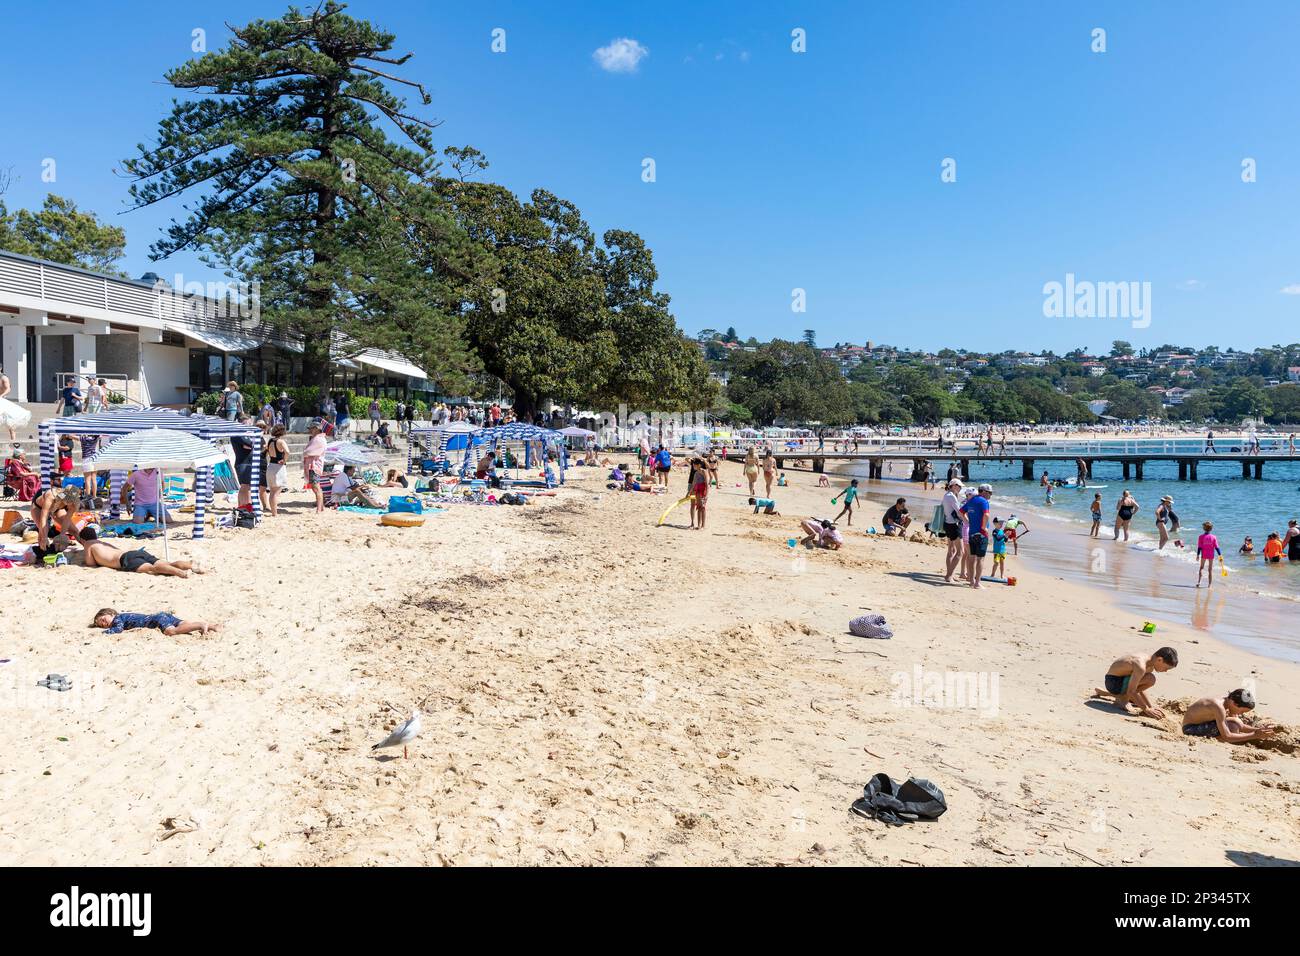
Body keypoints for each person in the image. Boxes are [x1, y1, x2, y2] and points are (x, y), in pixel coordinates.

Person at [78, 526, 203, 577]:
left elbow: (90, 564)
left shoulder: (88, 544)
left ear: (83, 539)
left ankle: (180, 573)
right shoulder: (102, 542)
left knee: (152, 569)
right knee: (166, 564)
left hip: (125, 560)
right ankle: (190, 565)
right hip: (134, 553)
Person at [1092, 647, 1179, 719]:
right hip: (1114, 682)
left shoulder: (1149, 662)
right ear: (1159, 659)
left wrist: (1150, 706)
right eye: (1166, 668)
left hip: (1119, 680)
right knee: (1150, 679)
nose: (1166, 671)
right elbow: (1131, 691)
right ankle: (1121, 700)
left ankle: (1109, 694)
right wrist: (1146, 710)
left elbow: (1139, 688)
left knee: (1143, 689)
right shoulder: (1141, 665)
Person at [1181, 689, 1275, 743]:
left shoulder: (1224, 701)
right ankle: (1220, 739)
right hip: (1190, 729)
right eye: (1242, 711)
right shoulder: (1218, 707)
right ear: (1234, 703)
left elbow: (1239, 725)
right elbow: (1227, 736)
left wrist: (1258, 730)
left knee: (1236, 722)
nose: (1241, 714)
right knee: (1232, 727)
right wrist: (1254, 735)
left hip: (1200, 723)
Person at [30, 485, 81, 558]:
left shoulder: (74, 502)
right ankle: (42, 553)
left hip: (57, 509)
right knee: (44, 531)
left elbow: (67, 520)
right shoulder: (51, 496)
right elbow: (43, 518)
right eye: (68, 501)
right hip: (39, 508)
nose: (70, 503)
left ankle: (88, 547)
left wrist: (62, 535)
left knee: (74, 530)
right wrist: (44, 537)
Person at [92, 608, 218, 636]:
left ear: (111, 613)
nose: (103, 624)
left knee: (171, 631)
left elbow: (118, 629)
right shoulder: (122, 616)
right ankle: (212, 627)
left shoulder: (118, 618)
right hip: (160, 616)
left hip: (155, 620)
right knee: (182, 624)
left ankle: (201, 625)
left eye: (103, 620)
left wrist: (106, 632)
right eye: (100, 625)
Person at [960, 483, 992, 589]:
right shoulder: (984, 501)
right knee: (980, 559)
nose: (990, 495)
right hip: (981, 534)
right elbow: (986, 515)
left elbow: (961, 511)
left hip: (972, 533)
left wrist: (967, 521)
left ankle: (971, 581)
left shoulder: (971, 500)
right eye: (989, 493)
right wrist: (983, 527)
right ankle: (977, 583)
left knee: (971, 557)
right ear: (983, 492)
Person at [0, 366, 33, 442]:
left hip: (2, 400)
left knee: (10, 421)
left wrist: (1, 396)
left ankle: (13, 440)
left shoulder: (4, 378)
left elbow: (8, 389)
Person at [941, 479, 964, 583]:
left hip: (947, 523)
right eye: (959, 486)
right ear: (954, 486)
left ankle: (949, 574)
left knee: (952, 550)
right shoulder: (951, 496)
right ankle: (949, 575)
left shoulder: (947, 495)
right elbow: (959, 512)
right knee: (960, 551)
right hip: (954, 525)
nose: (961, 488)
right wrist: (967, 521)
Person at [265, 424, 289, 517]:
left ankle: (273, 512)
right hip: (278, 467)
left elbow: (267, 452)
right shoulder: (281, 441)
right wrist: (284, 460)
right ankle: (274, 513)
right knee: (276, 492)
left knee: (272, 491)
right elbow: (287, 452)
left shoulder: (270, 441)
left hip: (270, 465)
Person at [302, 422, 327, 513]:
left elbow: (308, 452)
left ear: (316, 429)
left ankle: (319, 508)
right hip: (313, 465)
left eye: (311, 428)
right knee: (315, 486)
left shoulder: (319, 439)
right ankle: (321, 507)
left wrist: (305, 452)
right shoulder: (318, 438)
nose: (310, 430)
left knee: (316, 487)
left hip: (314, 465)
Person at [1195, 520, 1221, 588]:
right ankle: (1209, 585)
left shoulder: (1201, 537)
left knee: (1201, 568)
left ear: (1204, 528)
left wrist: (1198, 555)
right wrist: (1220, 555)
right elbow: (1217, 547)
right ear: (1211, 529)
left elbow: (1199, 547)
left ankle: (1199, 582)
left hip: (1204, 554)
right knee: (1210, 570)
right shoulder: (1213, 537)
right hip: (1211, 555)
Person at [689, 457, 709, 529]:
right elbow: (693, 484)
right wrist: (689, 493)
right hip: (697, 491)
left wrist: (706, 495)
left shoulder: (704, 471)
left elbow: (707, 484)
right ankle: (698, 525)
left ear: (699, 465)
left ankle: (703, 525)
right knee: (698, 507)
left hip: (703, 490)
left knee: (703, 507)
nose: (693, 466)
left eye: (694, 465)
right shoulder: (696, 473)